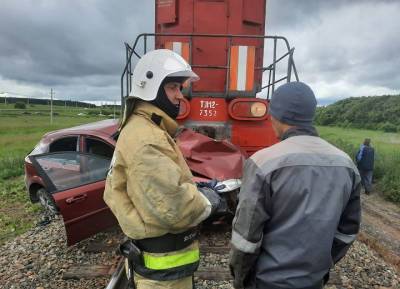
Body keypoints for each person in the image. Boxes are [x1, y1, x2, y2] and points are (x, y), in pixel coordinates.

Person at [103, 49, 221, 289]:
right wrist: (208, 201)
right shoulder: (147, 138)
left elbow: (157, 189)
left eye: (179, 88)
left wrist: (192, 189)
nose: (180, 96)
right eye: (173, 87)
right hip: (163, 274)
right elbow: (175, 209)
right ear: (151, 88)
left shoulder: (144, 129)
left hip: (164, 268)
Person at [229, 82, 361, 289]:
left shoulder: (263, 162)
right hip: (313, 280)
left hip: (268, 281)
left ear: (276, 116)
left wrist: (241, 279)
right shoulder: (346, 164)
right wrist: (320, 266)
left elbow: (246, 237)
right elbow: (347, 232)